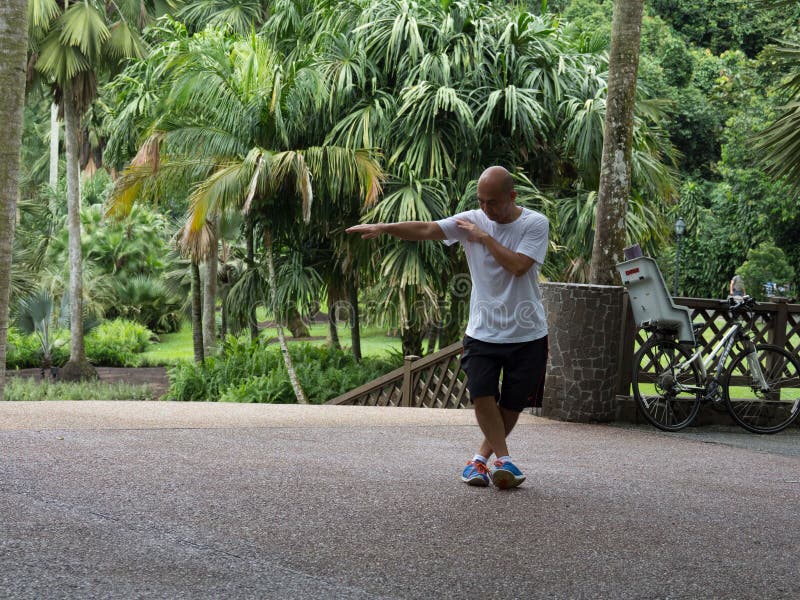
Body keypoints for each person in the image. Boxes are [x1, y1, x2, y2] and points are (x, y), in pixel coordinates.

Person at [346, 166, 549, 490]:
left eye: (493, 202)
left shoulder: (535, 223)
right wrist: (384, 227)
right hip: (482, 329)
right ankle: (505, 460)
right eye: (481, 201)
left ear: (512, 196)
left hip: (527, 333)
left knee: (511, 405)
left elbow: (518, 267)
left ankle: (478, 462)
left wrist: (483, 237)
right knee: (482, 395)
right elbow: (427, 229)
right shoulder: (472, 219)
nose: (485, 209)